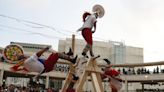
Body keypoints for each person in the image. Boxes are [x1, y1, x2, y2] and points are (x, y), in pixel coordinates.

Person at [10, 47, 77, 79]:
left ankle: (68, 54)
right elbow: (38, 54)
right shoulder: (28, 61)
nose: (24, 55)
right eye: (22, 55)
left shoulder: (25, 66)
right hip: (46, 66)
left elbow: (24, 69)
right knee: (56, 54)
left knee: (53, 55)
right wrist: (45, 49)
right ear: (23, 58)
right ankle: (72, 60)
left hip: (46, 67)